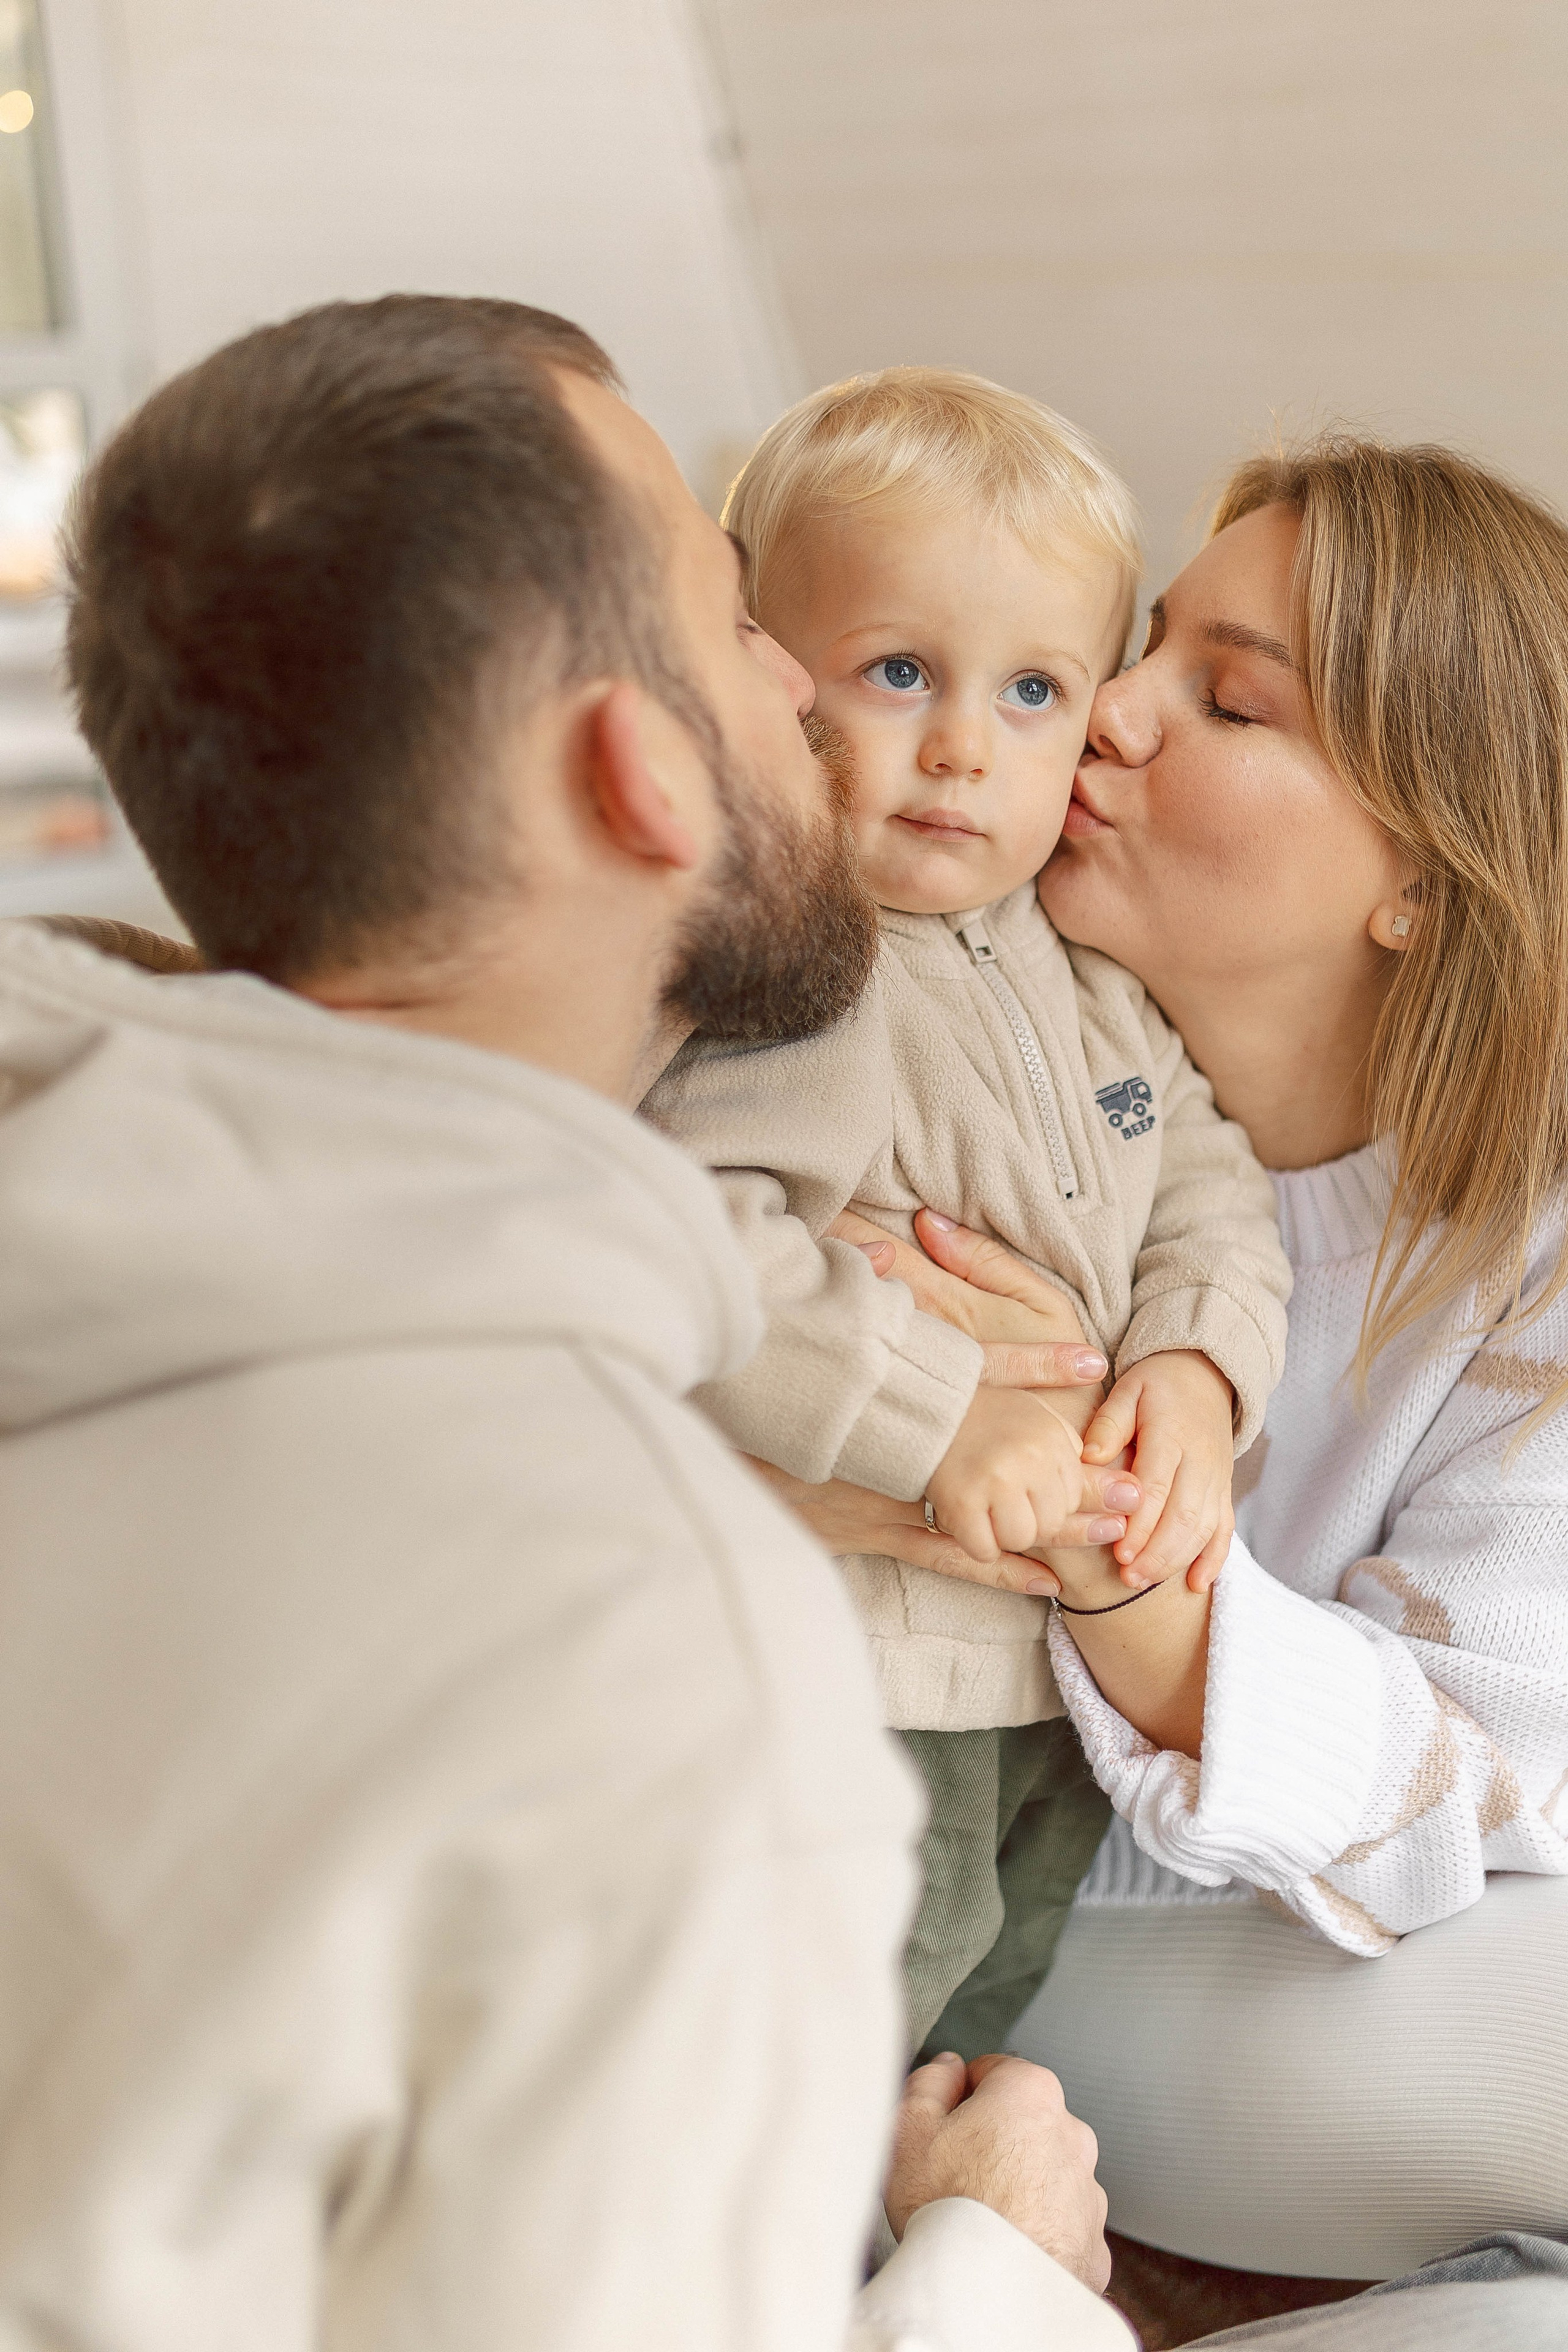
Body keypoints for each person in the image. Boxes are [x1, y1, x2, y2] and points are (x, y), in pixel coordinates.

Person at [5, 298, 1562, 2352]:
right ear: (644, 772)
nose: (1081, 718)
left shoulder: (153, 1173)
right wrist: (987, 2271)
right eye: (753, 628)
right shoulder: (665, 1628)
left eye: (1167, 683)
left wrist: (1103, 1441)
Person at [767, 435, 1568, 2283]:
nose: (1104, 714)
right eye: (1137, 650)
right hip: (911, 1861)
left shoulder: (1526, 1266)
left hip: (1192, 1953)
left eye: (1227, 700)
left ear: (1421, 884)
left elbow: (1482, 1784)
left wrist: (1080, 1509)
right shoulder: (894, 1029)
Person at [644, 366, 1291, 2062]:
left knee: (992, 1997)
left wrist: (1197, 1368)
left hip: (1045, 1684)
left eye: (1032, 690)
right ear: (772, 679)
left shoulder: (1090, 975)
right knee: (846, 2025)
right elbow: (703, 1248)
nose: (960, 747)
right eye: (899, 672)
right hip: (859, 1665)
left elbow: (1206, 1183)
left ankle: (938, 2203)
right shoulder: (798, 977)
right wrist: (940, 1416)